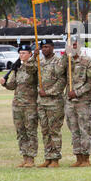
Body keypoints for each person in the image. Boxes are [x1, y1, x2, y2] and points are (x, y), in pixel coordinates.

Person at [0, 44, 38, 168]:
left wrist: (33, 59)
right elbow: (13, 85)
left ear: (30, 54)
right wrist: (5, 84)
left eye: (24, 53)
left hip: (29, 104)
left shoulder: (33, 67)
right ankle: (25, 157)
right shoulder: (18, 67)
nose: (21, 55)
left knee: (30, 132)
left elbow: (33, 71)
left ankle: (31, 158)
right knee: (21, 132)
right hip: (17, 104)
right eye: (20, 53)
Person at [61, 37, 91, 167]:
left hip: (82, 101)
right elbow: (59, 72)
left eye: (75, 45)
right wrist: (66, 55)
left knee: (84, 129)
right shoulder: (67, 61)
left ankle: (86, 158)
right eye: (70, 45)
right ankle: (78, 157)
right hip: (70, 102)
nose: (73, 47)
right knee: (74, 130)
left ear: (80, 45)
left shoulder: (88, 61)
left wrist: (77, 92)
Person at [33, 39, 66, 168]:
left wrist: (48, 92)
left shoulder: (58, 61)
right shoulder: (39, 61)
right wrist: (33, 57)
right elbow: (30, 71)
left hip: (54, 102)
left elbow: (61, 80)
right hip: (41, 103)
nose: (44, 49)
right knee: (45, 131)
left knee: (54, 131)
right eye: (43, 47)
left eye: (47, 47)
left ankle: (55, 158)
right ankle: (48, 157)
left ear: (52, 47)